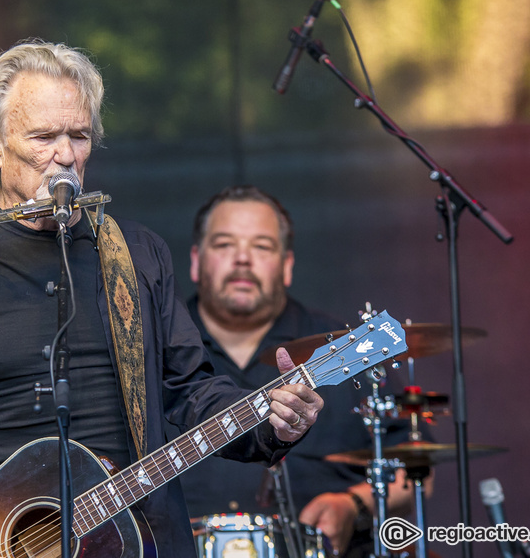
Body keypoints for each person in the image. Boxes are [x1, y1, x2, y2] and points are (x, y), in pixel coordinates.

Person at [0, 41, 325, 558]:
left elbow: (191, 391)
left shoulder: (136, 256)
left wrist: (272, 422)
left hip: (134, 539)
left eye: (78, 136)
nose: (66, 155)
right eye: (44, 137)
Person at [178, 185, 433, 557]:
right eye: (224, 244)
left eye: (262, 246)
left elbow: (418, 469)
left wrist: (355, 506)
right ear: (196, 261)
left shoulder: (345, 351)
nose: (243, 259)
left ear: (287, 266)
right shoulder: (155, 349)